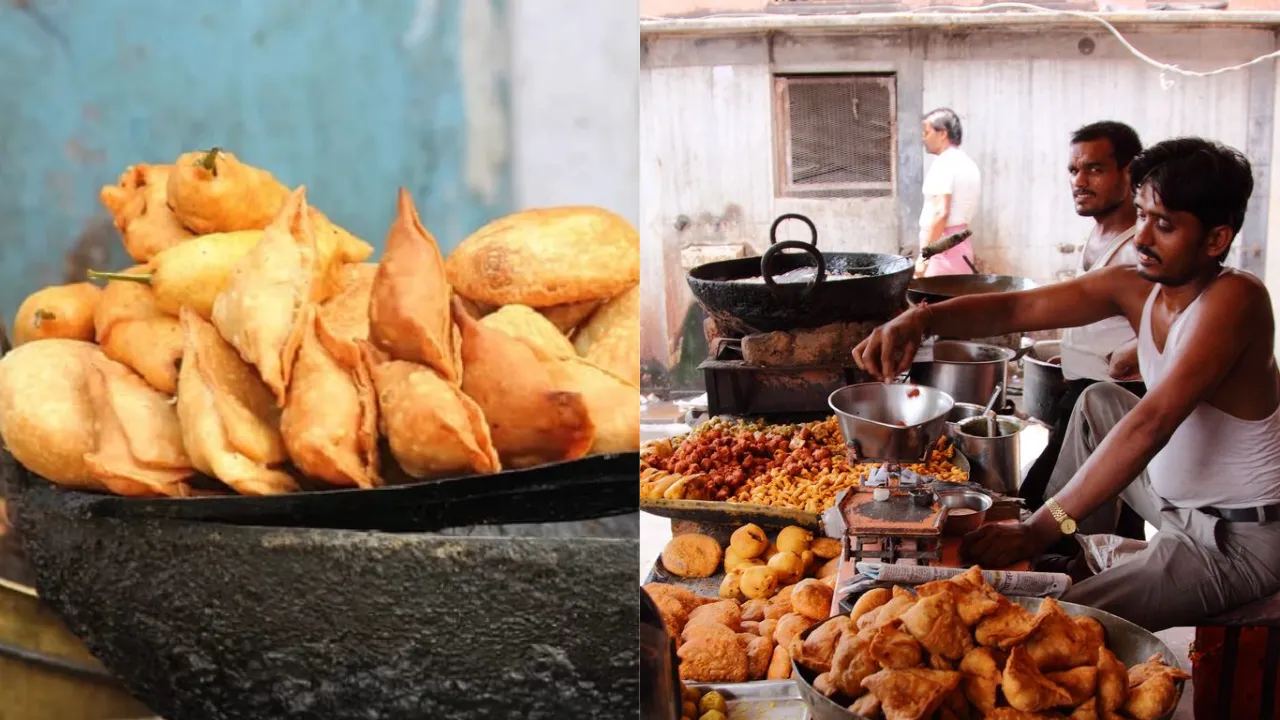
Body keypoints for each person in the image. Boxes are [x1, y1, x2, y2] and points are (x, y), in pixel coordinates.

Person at [853, 137, 1280, 631]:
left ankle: (1052, 548)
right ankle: (1071, 551)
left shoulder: (1236, 300)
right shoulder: (1140, 285)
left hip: (1232, 542)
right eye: (1141, 215)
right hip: (1175, 505)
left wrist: (1035, 529)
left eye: (1164, 225)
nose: (1142, 237)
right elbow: (1018, 308)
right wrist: (919, 321)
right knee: (1099, 401)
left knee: (1048, 624)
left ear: (1215, 239)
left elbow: (1150, 424)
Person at [1020, 121, 1147, 545]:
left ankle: (1079, 586)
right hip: (1079, 392)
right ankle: (1094, 569)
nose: (1079, 182)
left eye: (1093, 169)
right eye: (1073, 171)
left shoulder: (1139, 249)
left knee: (1047, 505)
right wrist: (1075, 353)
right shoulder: (1100, 231)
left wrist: (1134, 348)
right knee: (1111, 514)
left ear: (1128, 173)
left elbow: (1169, 327)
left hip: (1117, 401)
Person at [917, 108, 981, 277]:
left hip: (942, 249)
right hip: (962, 249)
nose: (923, 138)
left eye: (927, 132)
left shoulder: (944, 164)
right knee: (958, 299)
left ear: (942, 134)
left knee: (936, 301)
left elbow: (941, 213)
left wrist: (924, 258)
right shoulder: (967, 163)